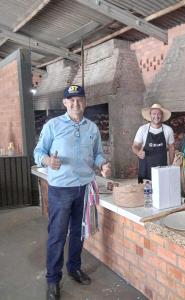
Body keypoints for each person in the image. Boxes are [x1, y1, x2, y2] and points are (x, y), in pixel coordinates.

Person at [34, 85, 111, 300]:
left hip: (84, 188)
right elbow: (38, 152)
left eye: (80, 100)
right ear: (65, 103)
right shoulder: (53, 125)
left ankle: (74, 268)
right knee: (57, 235)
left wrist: (103, 164)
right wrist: (47, 160)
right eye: (72, 100)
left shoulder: (92, 128)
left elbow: (96, 155)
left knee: (78, 232)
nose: (76, 104)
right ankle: (52, 280)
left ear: (85, 102)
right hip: (61, 190)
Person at [132, 103, 175, 182]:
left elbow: (172, 148)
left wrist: (172, 165)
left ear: (162, 115)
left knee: (162, 191)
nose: (156, 116)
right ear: (150, 115)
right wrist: (138, 152)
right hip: (145, 169)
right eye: (154, 114)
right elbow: (135, 146)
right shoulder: (143, 129)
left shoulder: (168, 130)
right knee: (145, 193)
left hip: (161, 169)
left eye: (159, 114)